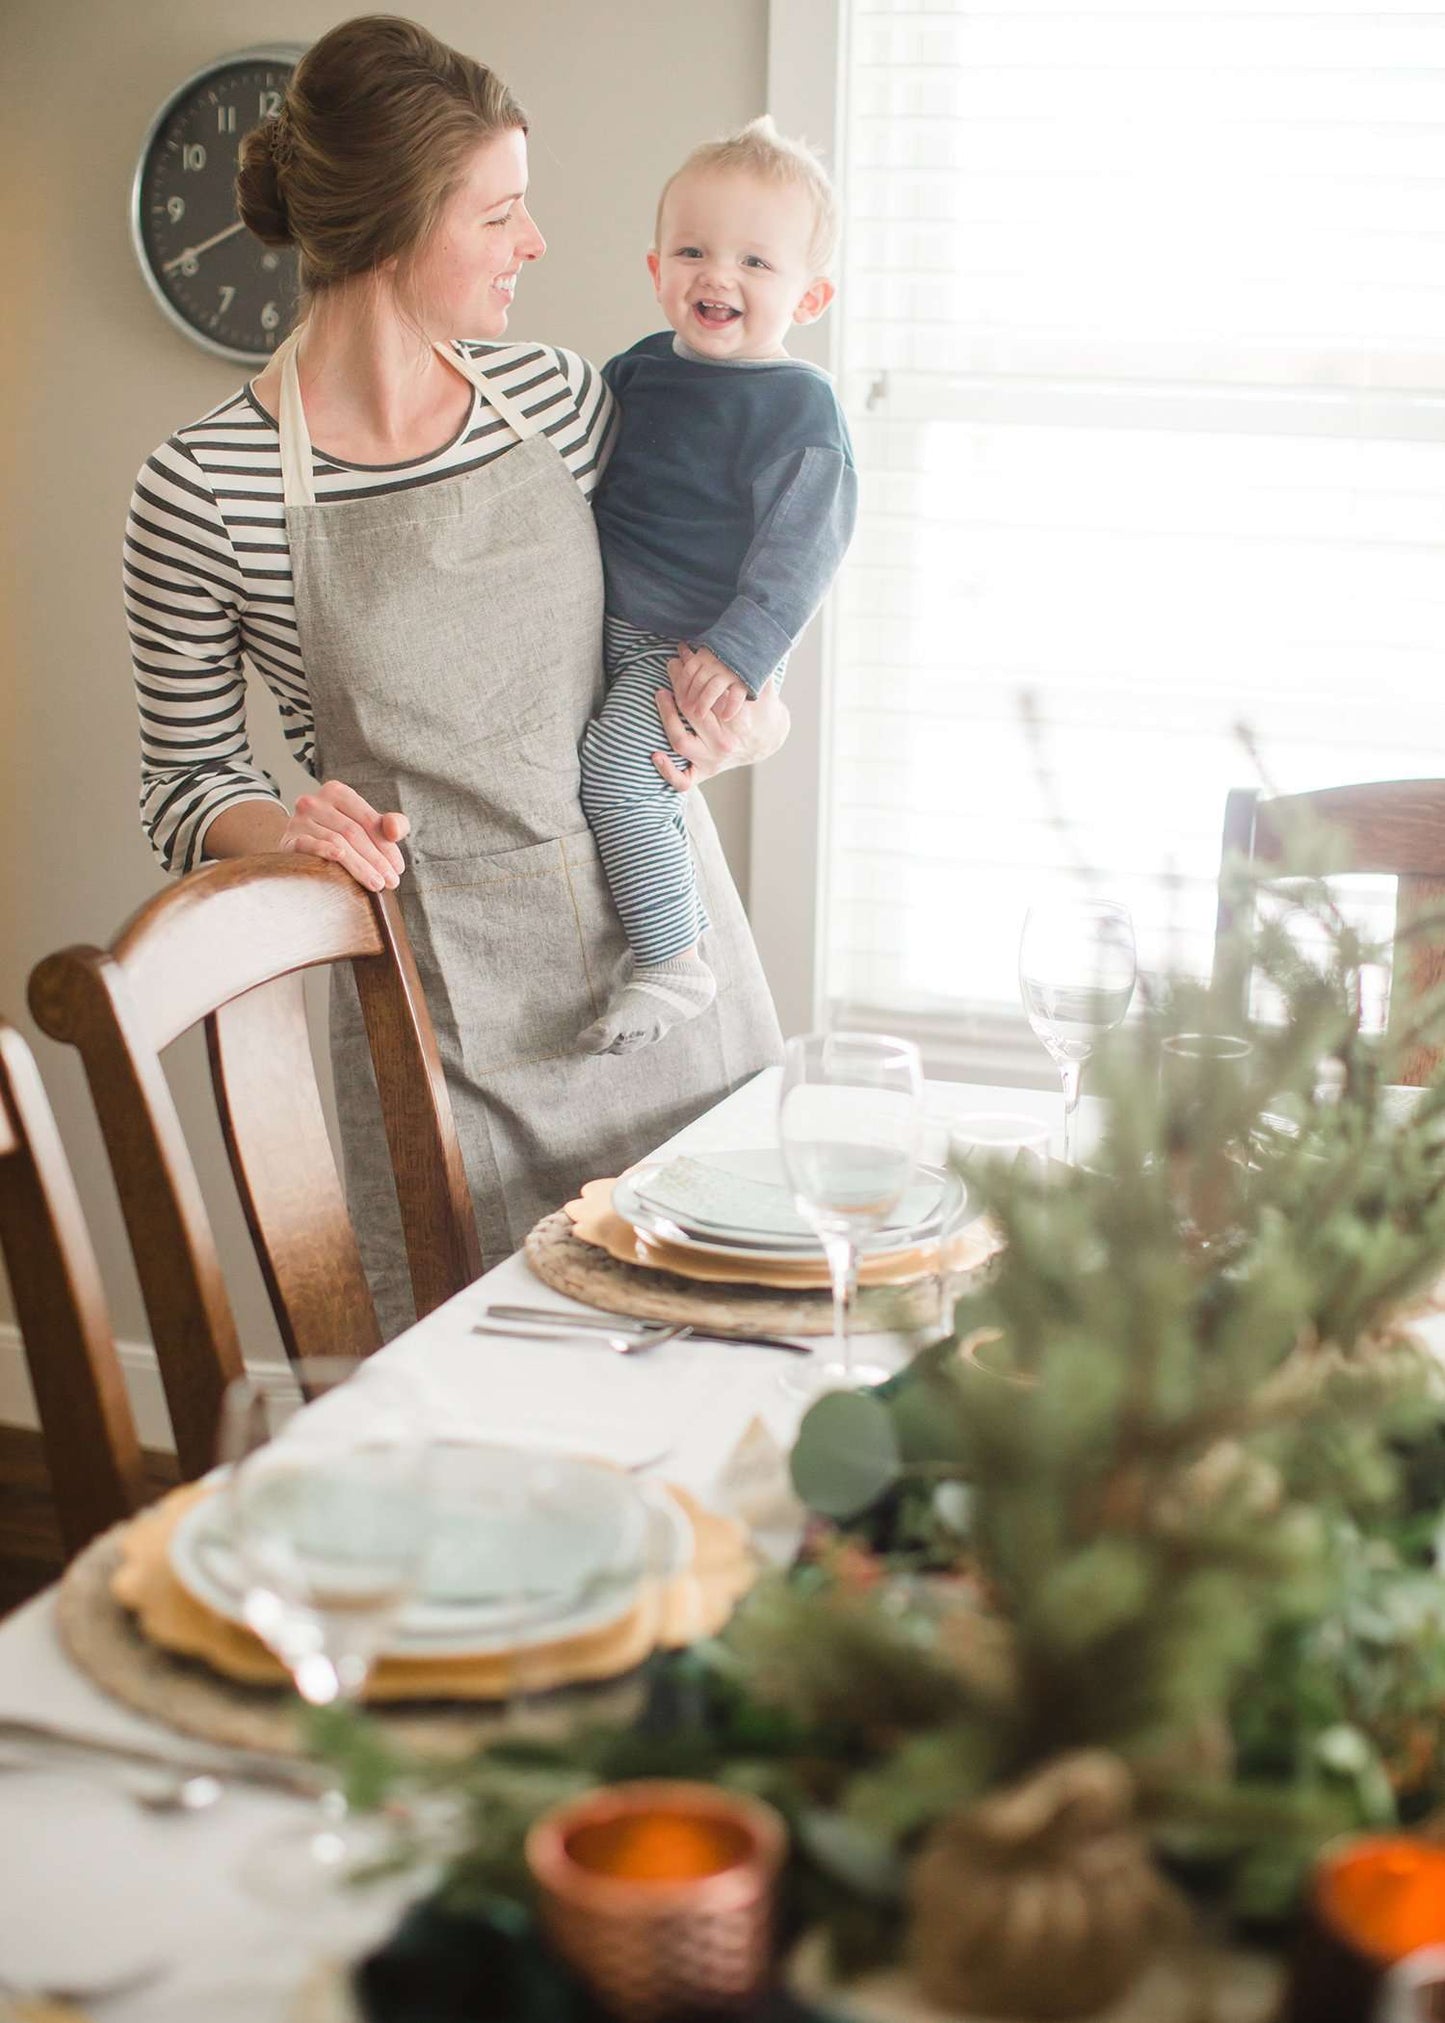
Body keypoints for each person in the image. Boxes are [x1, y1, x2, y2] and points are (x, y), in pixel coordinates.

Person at [124, 15, 787, 1339]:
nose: (534, 244)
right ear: (391, 223)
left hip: (675, 994)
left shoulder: (558, 399)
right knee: (481, 1433)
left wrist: (747, 718)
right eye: (499, 214)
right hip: (446, 1047)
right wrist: (287, 826)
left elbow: (714, 620)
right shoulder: (200, 489)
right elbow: (183, 781)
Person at [578, 119, 857, 1056]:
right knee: (613, 774)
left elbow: (802, 550)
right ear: (655, 265)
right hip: (602, 624)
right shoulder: (636, 373)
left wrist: (738, 661)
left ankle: (672, 956)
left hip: (686, 645)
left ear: (808, 296)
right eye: (692, 250)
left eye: (753, 261)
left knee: (621, 777)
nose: (716, 276)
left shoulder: (797, 407)